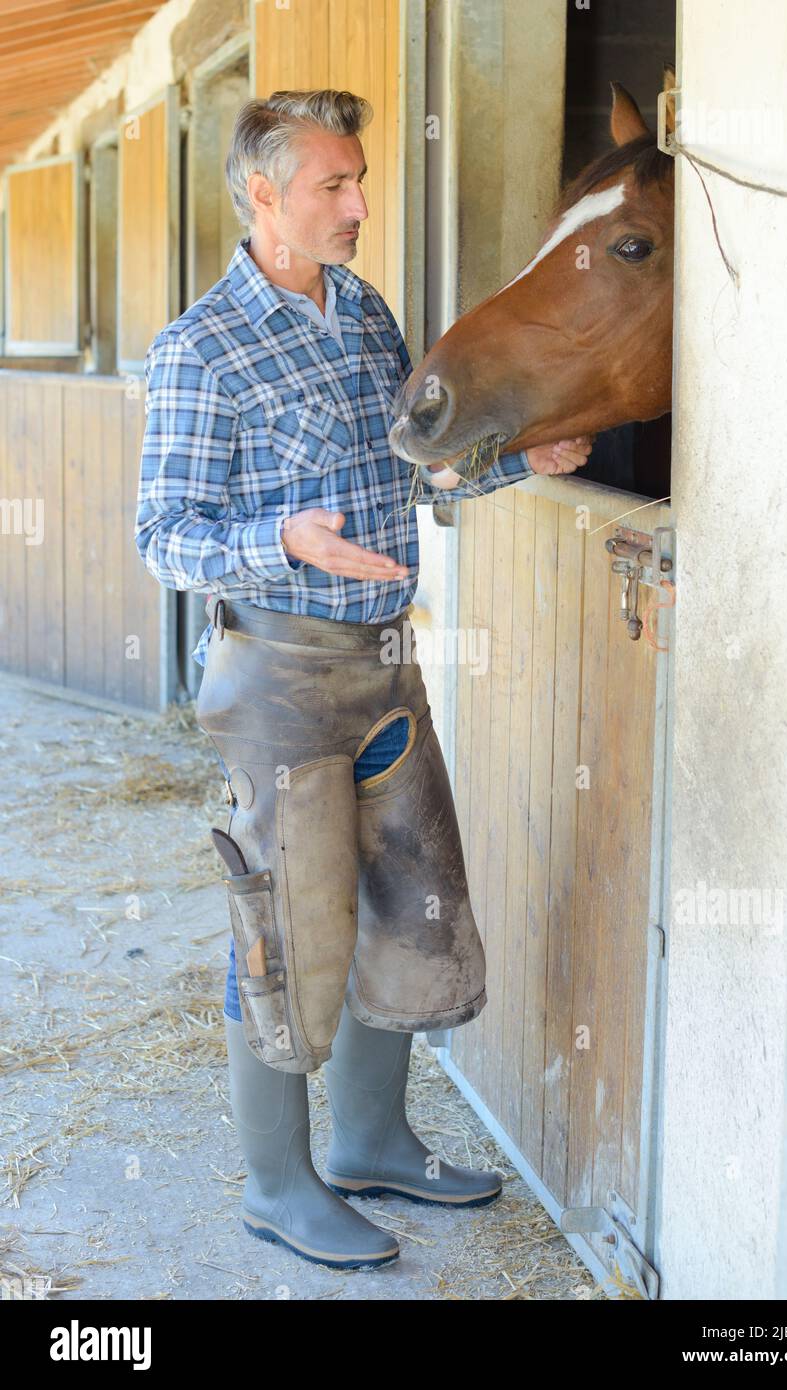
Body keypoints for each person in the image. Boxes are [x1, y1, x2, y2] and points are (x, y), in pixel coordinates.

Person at [134, 89, 592, 1271]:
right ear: (263, 194)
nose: (360, 205)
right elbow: (162, 537)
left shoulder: (365, 315)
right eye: (335, 186)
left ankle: (373, 1137)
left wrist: (514, 461)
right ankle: (278, 1186)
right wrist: (285, 539)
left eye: (361, 180)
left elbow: (416, 482)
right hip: (276, 673)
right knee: (286, 932)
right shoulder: (199, 349)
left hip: (385, 663)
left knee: (409, 906)